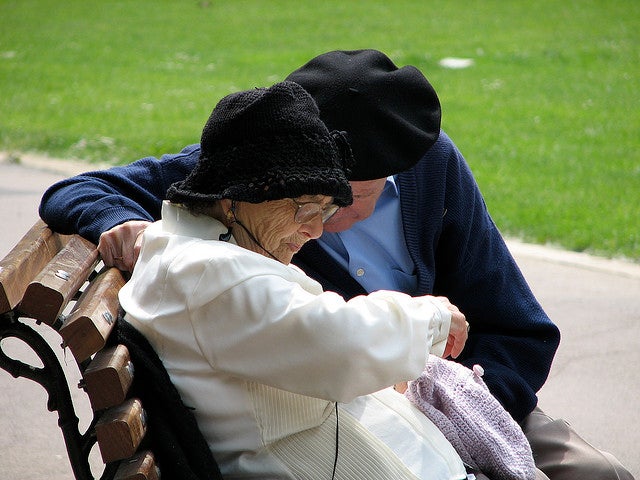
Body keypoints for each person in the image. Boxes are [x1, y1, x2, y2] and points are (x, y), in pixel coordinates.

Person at [39, 50, 634, 480]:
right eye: (310, 198)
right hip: (367, 419)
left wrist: (462, 402)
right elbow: (82, 189)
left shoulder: (429, 168)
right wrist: (127, 225)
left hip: (475, 400)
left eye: (341, 196)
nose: (320, 220)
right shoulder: (257, 166)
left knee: (598, 474)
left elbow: (519, 327)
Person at [119, 79, 473, 479]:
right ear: (235, 196)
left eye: (323, 211)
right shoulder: (210, 276)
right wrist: (432, 318)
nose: (315, 230)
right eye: (304, 207)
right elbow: (341, 345)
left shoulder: (198, 250)